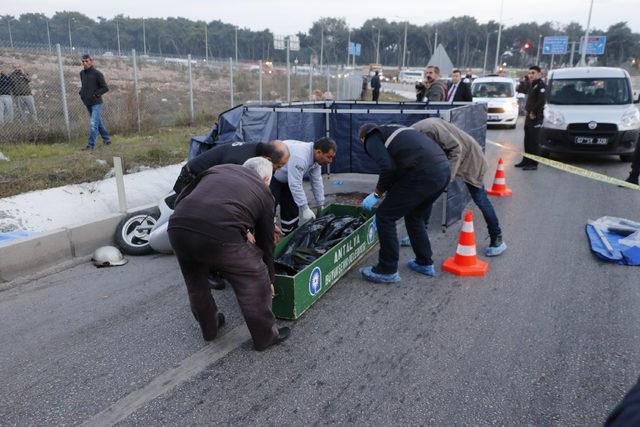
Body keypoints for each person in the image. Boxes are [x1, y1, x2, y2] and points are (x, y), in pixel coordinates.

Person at [167, 158, 290, 351]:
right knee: (254, 277)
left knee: (195, 281)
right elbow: (266, 241)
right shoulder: (264, 192)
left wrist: (242, 229)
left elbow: (182, 197)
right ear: (266, 177)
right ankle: (266, 337)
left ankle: (210, 328)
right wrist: (269, 277)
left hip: (178, 227)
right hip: (218, 234)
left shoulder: (218, 169)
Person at [358, 123, 451, 283]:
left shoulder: (371, 137)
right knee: (415, 217)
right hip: (442, 171)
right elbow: (399, 169)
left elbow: (388, 168)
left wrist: (377, 193)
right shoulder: (396, 130)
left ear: (362, 138)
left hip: (423, 173)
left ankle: (387, 269)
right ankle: (424, 262)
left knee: (385, 216)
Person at [409, 118, 507, 256]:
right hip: (461, 156)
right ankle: (420, 232)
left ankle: (497, 238)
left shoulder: (427, 130)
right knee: (429, 193)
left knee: (481, 199)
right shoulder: (417, 131)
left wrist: (448, 177)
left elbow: (456, 149)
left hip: (472, 160)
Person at [173, 140, 290, 194]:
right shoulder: (242, 163)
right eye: (279, 166)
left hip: (209, 177)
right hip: (191, 179)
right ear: (268, 159)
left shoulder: (258, 151)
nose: (278, 170)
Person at [270, 137, 336, 234]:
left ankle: (288, 234)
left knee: (291, 209)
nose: (330, 161)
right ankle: (266, 236)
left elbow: (316, 181)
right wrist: (305, 208)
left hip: (287, 179)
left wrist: (320, 204)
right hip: (272, 175)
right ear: (318, 152)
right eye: (329, 157)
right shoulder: (301, 157)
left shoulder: (316, 160)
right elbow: (295, 184)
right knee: (269, 206)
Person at [515, 65, 546, 171]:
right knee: (527, 140)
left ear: (539, 74)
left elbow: (541, 101)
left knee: (534, 141)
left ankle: (533, 163)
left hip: (535, 117)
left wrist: (534, 112)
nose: (531, 75)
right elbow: (522, 91)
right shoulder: (532, 85)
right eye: (530, 73)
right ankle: (526, 160)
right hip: (529, 116)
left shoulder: (541, 86)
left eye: (533, 73)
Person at [79, 54, 111, 150]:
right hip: (87, 102)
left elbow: (105, 88)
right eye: (83, 61)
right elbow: (84, 86)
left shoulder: (97, 74)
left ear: (91, 61)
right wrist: (81, 93)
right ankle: (107, 139)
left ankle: (91, 145)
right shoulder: (82, 73)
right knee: (98, 123)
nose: (85, 63)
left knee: (93, 124)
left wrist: (96, 95)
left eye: (87, 61)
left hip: (96, 103)